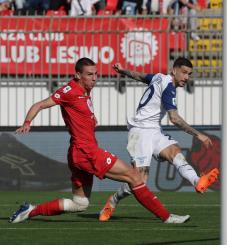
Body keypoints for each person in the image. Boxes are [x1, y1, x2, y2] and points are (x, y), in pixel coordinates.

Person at [9, 57, 189, 224]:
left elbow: (79, 113)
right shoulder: (69, 91)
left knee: (80, 204)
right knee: (135, 176)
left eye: (96, 74)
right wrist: (27, 123)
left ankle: (30, 210)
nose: (94, 78)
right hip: (86, 152)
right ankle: (167, 217)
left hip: (78, 153)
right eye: (89, 74)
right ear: (77, 75)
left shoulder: (85, 90)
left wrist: (90, 119)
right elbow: (39, 104)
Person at [98, 57, 219, 222]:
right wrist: (199, 134)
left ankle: (198, 181)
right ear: (174, 70)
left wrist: (123, 70)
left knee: (175, 153)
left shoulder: (158, 77)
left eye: (189, 74)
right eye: (183, 73)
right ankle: (112, 201)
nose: (186, 78)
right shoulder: (169, 86)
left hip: (154, 130)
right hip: (140, 132)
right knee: (139, 181)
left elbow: (140, 76)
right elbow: (174, 119)